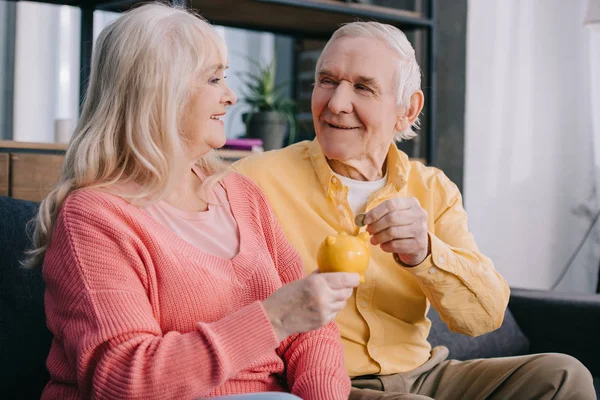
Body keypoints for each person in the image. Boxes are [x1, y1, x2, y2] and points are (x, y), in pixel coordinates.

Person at [232, 21, 596, 399]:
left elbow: (484, 316)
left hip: (426, 374)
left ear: (408, 109)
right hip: (330, 383)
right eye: (327, 81)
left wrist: (425, 252)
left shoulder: (432, 188)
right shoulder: (253, 179)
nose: (337, 103)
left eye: (363, 87)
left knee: (564, 376)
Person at [25, 4, 359, 399]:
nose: (231, 97)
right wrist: (272, 318)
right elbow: (124, 380)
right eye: (214, 79)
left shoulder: (242, 195)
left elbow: (311, 331)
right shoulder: (95, 218)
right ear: (159, 91)